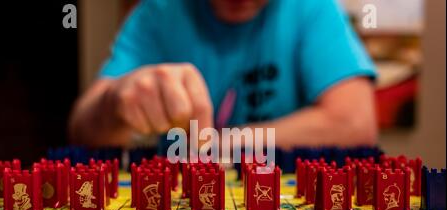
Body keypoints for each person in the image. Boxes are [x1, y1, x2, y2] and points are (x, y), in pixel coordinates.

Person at [69, 0, 377, 152]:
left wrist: (218, 144)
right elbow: (82, 130)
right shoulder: (157, 12)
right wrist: (114, 103)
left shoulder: (311, 7)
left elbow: (355, 123)